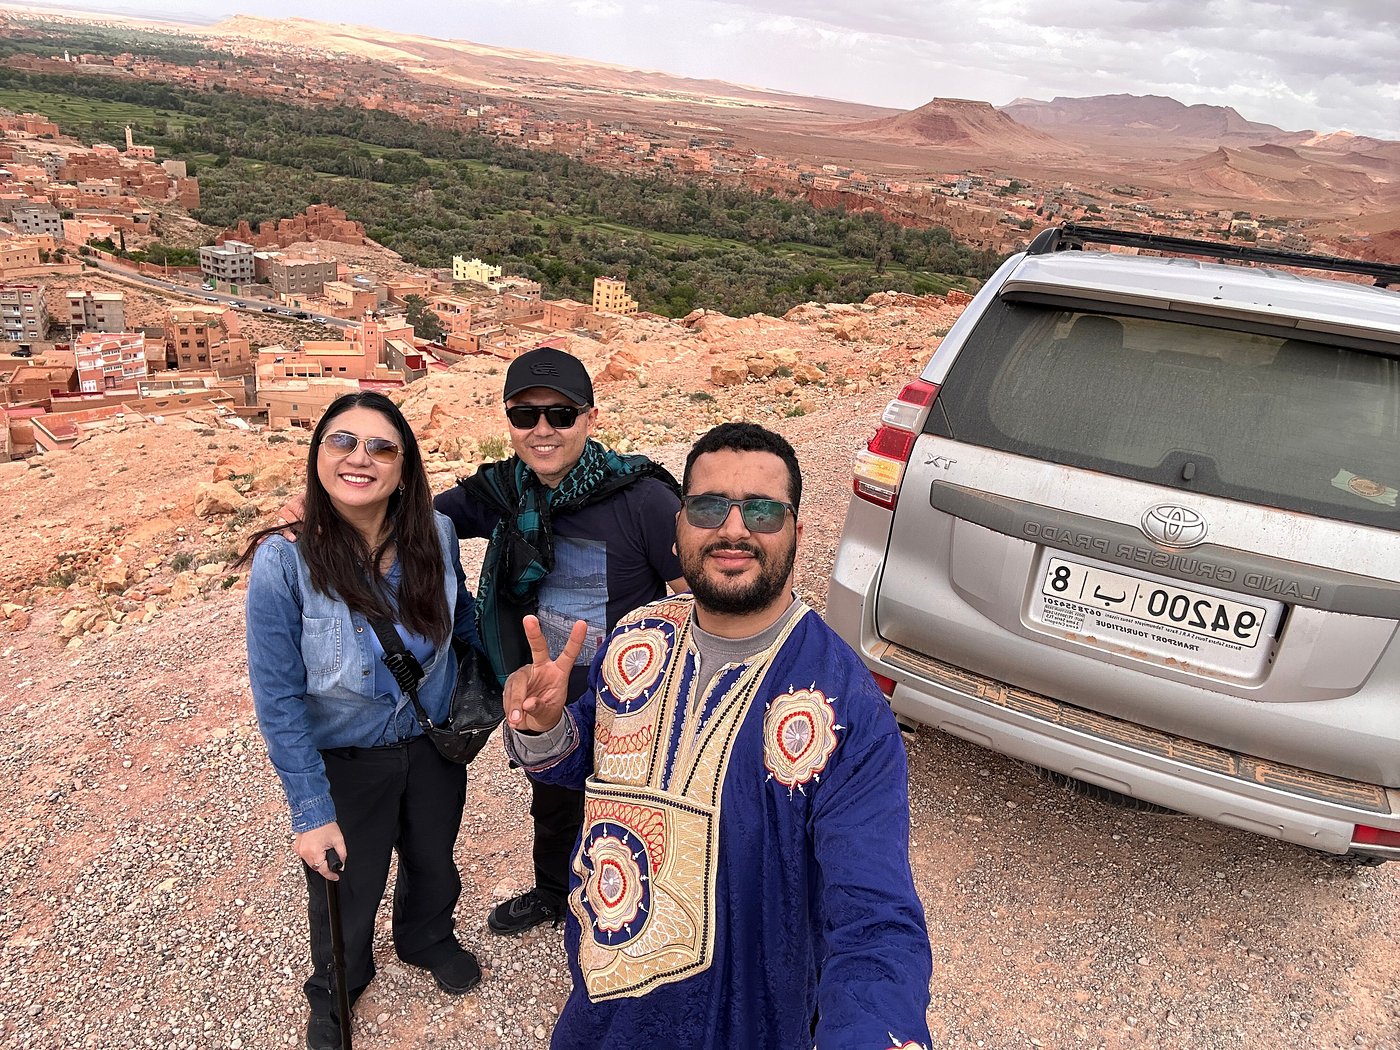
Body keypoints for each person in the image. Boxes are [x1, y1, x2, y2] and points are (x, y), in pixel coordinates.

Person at [502, 422, 933, 1050]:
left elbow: (874, 917)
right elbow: (596, 759)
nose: (734, 529)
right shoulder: (639, 635)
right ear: (678, 531)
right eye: (709, 507)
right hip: (601, 1011)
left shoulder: (845, 703)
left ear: (797, 534)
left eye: (761, 510)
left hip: (744, 1022)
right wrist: (545, 729)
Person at [243, 391, 484, 1050]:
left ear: (403, 470)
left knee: (433, 858)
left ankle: (426, 936)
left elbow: (462, 623)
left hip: (432, 745)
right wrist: (309, 808)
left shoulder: (433, 535)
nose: (361, 458)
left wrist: (499, 677)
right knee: (345, 884)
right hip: (345, 762)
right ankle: (338, 986)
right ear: (318, 457)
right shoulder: (283, 563)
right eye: (343, 442)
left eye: (382, 447)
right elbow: (279, 697)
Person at [435, 345, 686, 935]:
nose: (542, 429)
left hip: (635, 702)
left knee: (638, 812)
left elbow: (692, 598)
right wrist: (319, 513)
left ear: (590, 420)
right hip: (549, 701)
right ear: (510, 421)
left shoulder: (642, 499)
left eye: (561, 414)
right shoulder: (501, 493)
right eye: (526, 416)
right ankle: (553, 890)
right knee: (552, 803)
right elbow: (414, 518)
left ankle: (646, 912)